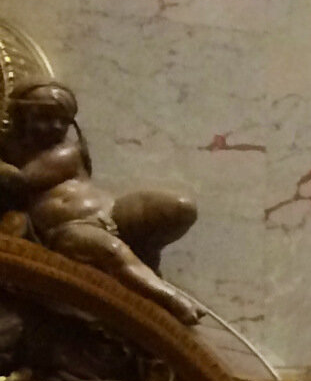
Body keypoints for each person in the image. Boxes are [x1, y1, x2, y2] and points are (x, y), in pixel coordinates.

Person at [0, 81, 201, 321]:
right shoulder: (8, 149)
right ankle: (169, 300)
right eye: (44, 117)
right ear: (19, 113)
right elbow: (17, 183)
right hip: (67, 229)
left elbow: (20, 178)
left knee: (179, 207)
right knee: (112, 251)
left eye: (63, 120)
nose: (56, 126)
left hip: (111, 209)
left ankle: (146, 260)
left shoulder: (67, 151)